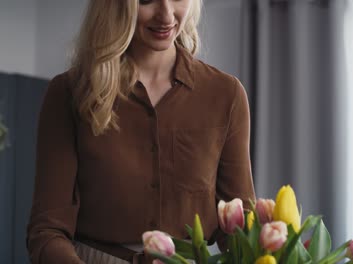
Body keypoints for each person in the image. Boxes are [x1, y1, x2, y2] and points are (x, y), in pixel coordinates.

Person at [26, 0, 256, 263]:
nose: (167, 15)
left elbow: (240, 227)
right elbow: (47, 231)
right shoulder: (68, 93)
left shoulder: (226, 94)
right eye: (147, 0)